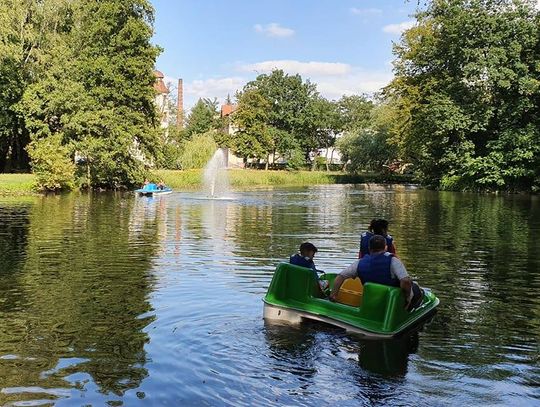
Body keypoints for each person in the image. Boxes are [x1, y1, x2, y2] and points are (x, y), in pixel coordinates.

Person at [331, 235, 423, 311]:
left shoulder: (359, 263)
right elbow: (405, 281)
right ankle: (408, 311)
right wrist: (407, 297)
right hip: (392, 301)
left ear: (369, 248)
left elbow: (340, 277)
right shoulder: (393, 261)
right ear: (386, 247)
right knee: (415, 287)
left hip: (372, 300)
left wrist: (334, 294)